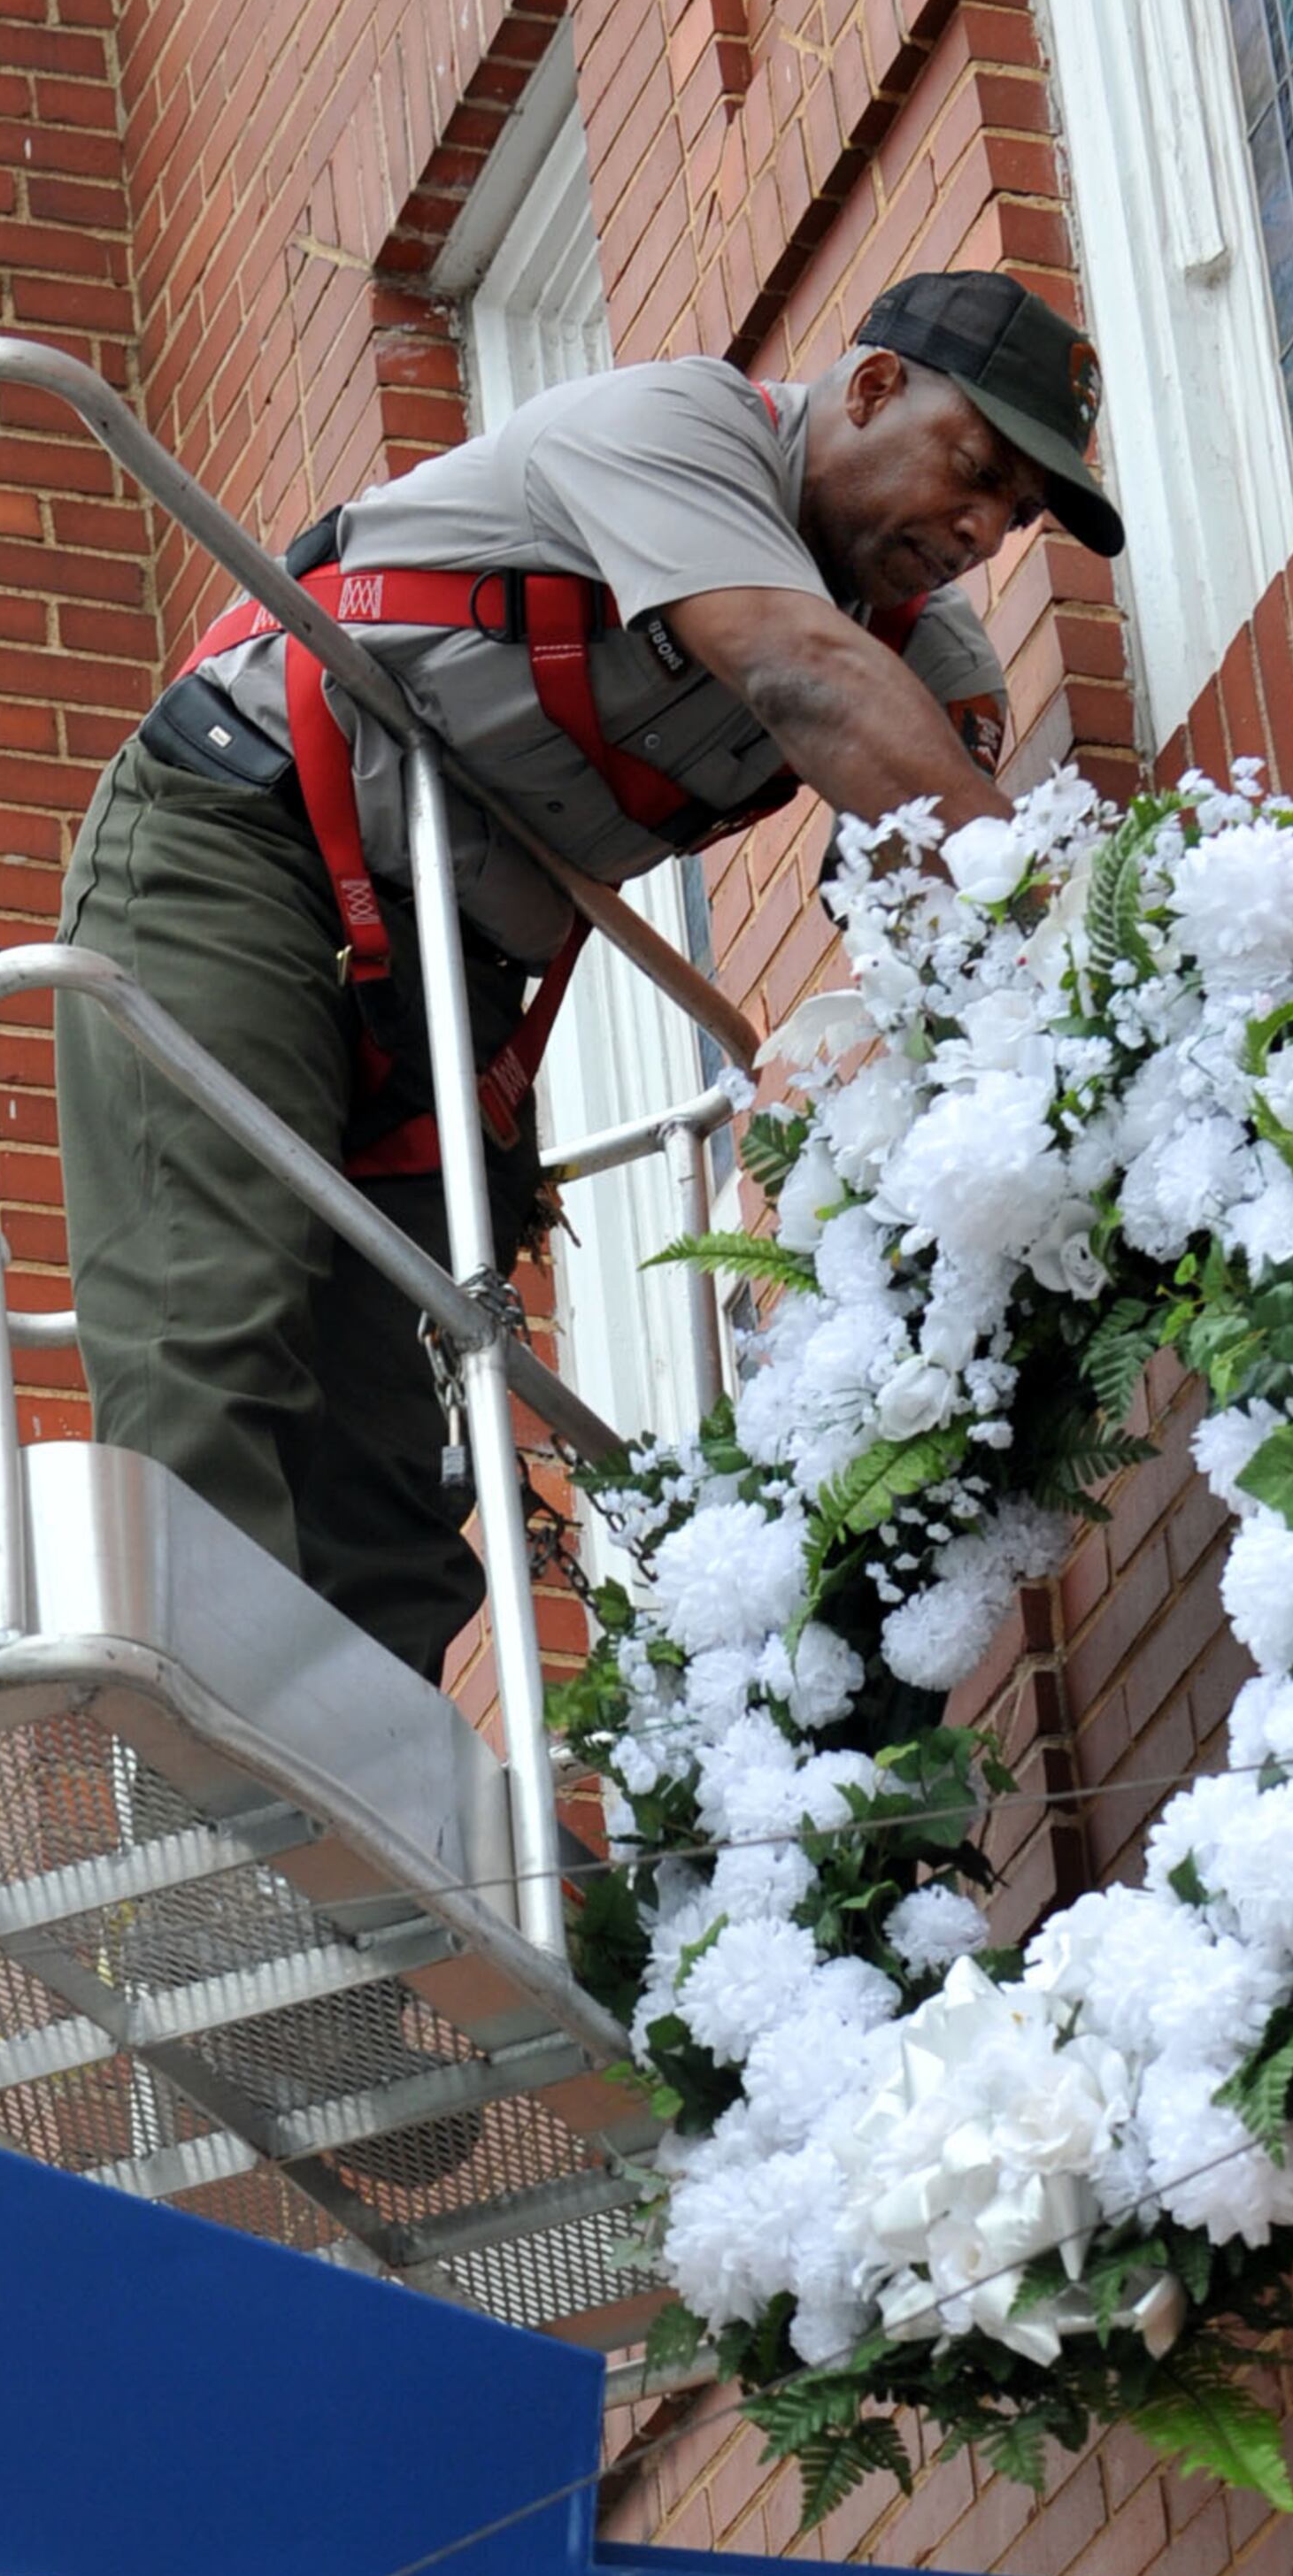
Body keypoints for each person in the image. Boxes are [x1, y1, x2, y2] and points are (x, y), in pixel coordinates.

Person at [55, 271, 1126, 1682]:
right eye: (974, 470)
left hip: (445, 982)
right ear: (870, 391)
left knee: (386, 1458)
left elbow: (916, 892)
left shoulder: (921, 653)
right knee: (217, 1316)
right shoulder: (675, 427)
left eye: (1016, 517)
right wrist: (1078, 933)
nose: (982, 528)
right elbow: (805, 680)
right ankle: (196, 1778)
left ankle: (368, 1855)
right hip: (244, 848)